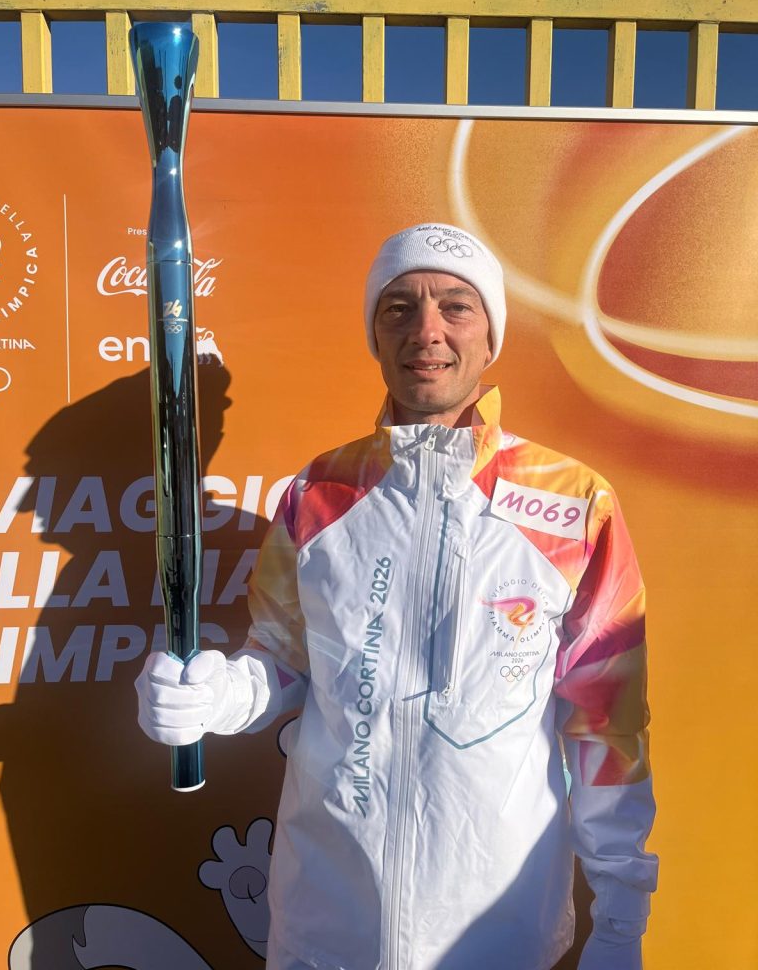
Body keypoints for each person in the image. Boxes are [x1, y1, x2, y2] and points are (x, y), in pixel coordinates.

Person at [136, 223, 658, 970]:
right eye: (399, 308)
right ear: (375, 337)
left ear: (491, 338)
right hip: (327, 929)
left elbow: (608, 727)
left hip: (497, 934)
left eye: (456, 306)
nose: (427, 330)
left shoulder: (574, 505)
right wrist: (217, 696)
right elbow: (283, 660)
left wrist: (620, 918)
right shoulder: (318, 494)